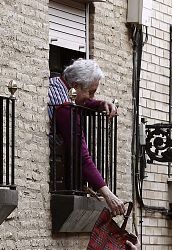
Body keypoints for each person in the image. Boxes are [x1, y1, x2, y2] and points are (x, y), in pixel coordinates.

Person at [48, 58, 126, 215]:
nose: (92, 97)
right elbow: (81, 156)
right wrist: (108, 194)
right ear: (76, 86)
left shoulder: (55, 84)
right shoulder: (66, 110)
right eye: (91, 92)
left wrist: (99, 104)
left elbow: (79, 101)